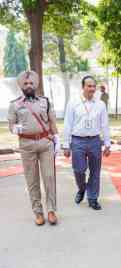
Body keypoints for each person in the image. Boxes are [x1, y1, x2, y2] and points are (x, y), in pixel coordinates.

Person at [8, 71, 60, 225]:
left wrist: (57, 138)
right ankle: (38, 213)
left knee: (49, 178)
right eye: (26, 84)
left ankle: (51, 211)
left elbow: (52, 122)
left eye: (31, 83)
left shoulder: (45, 102)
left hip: (45, 143)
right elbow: (11, 125)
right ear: (21, 86)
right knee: (32, 180)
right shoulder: (15, 105)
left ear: (35, 85)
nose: (29, 86)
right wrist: (15, 129)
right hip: (27, 146)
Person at [62, 75, 111, 211]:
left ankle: (93, 198)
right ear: (83, 87)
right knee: (79, 170)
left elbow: (105, 125)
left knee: (95, 171)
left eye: (94, 86)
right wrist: (66, 145)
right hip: (78, 141)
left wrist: (107, 144)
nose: (92, 89)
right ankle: (82, 188)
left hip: (95, 140)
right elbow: (67, 124)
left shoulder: (100, 104)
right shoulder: (73, 102)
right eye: (89, 86)